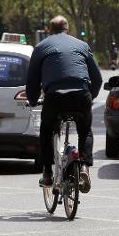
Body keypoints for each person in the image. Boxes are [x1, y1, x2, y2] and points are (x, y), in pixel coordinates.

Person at [26, 16, 103, 192]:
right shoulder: (82, 45)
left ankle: (47, 173)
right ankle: (83, 166)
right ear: (67, 29)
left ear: (49, 30)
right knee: (85, 130)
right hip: (80, 96)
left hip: (54, 98)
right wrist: (90, 97)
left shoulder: (41, 47)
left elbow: (32, 80)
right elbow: (97, 78)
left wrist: (32, 100)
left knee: (46, 131)